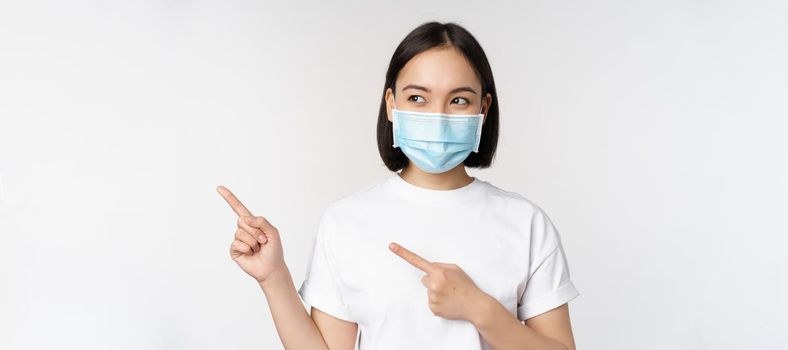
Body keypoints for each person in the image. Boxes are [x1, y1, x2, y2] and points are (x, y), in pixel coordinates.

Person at [217, 21, 579, 350]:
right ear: (391, 104)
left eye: (458, 100)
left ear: (483, 109)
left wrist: (480, 309)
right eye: (417, 98)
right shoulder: (346, 221)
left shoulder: (525, 223)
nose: (437, 117)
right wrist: (274, 278)